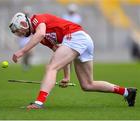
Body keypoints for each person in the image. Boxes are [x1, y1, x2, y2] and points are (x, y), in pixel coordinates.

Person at [9, 12, 137, 109]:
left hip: (76, 37)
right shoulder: (43, 39)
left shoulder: (37, 20)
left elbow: (41, 34)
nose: (18, 33)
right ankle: (127, 92)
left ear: (23, 23)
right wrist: (66, 76)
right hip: (81, 40)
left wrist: (21, 52)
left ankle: (38, 102)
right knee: (87, 85)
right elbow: (60, 51)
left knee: (51, 68)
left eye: (18, 29)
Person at [17, 6, 34, 71]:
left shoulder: (31, 20)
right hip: (23, 39)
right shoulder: (21, 21)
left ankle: (26, 63)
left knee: (30, 53)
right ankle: (24, 64)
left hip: (29, 38)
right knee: (24, 53)